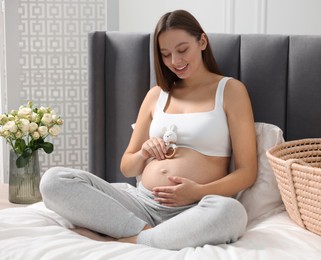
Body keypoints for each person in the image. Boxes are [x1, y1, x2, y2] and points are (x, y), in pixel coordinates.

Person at [40, 9, 257, 250]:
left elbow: (247, 172)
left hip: (196, 208)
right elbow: (127, 166)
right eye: (166, 54)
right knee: (53, 181)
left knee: (231, 213)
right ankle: (146, 233)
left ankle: (130, 239)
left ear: (202, 41)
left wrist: (197, 192)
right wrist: (144, 153)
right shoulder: (156, 95)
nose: (175, 61)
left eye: (182, 50)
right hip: (140, 205)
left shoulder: (230, 91)